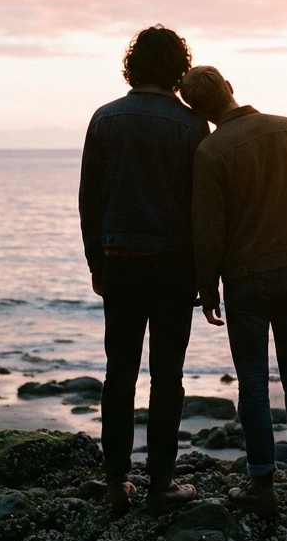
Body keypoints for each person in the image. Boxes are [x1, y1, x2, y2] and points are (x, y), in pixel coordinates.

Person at [179, 66, 287, 515]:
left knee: (254, 383)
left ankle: (262, 485)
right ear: (229, 87)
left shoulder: (210, 150)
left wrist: (207, 287)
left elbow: (210, 230)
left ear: (196, 109)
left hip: (246, 277)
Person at [79, 26, 208, 515]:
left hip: (121, 262)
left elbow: (89, 199)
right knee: (168, 377)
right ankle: (161, 483)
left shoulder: (105, 119)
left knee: (119, 374)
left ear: (133, 65)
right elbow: (201, 207)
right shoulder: (193, 126)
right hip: (174, 265)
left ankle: (115, 483)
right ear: (178, 68)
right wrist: (204, 271)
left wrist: (97, 259)